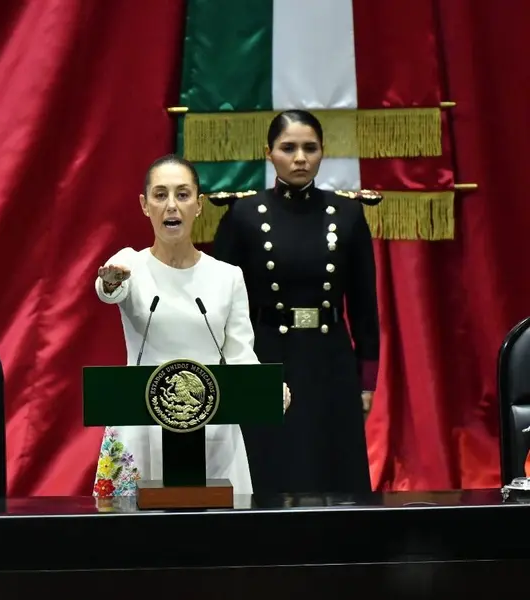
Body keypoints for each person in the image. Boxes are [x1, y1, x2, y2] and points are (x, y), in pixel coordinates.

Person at [92, 154, 291, 497]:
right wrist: (110, 281)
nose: (172, 206)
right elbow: (109, 289)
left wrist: (266, 388)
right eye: (160, 195)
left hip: (212, 426)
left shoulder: (227, 277)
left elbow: (240, 355)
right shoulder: (128, 265)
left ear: (199, 205)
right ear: (144, 205)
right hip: (140, 424)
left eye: (183, 195)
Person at [212, 109, 379, 495]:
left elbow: (365, 306)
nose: (300, 158)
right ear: (268, 153)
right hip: (266, 356)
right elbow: (221, 307)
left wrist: (366, 381)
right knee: (272, 464)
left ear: (323, 152)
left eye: (310, 148)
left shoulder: (348, 213)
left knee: (333, 469)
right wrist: (228, 375)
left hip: (330, 357)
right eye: (288, 148)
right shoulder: (244, 215)